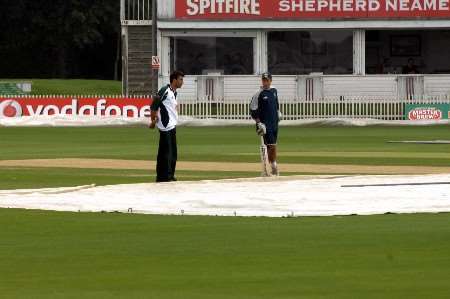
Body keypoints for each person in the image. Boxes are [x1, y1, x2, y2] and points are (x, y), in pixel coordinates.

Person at [149, 71, 184, 182]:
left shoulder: (174, 93)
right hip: (165, 126)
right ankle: (163, 177)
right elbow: (154, 105)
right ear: (174, 80)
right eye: (180, 79)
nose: (182, 82)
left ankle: (170, 175)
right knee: (165, 153)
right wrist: (153, 121)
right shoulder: (165, 90)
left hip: (172, 126)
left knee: (173, 153)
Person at [250, 72, 281, 176]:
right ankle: (272, 167)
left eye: (267, 80)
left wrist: (278, 112)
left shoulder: (274, 90)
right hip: (264, 123)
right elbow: (253, 109)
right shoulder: (258, 93)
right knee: (269, 145)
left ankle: (272, 167)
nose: (265, 82)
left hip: (274, 122)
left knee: (273, 145)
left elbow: (276, 104)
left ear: (271, 81)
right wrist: (258, 123)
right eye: (263, 80)